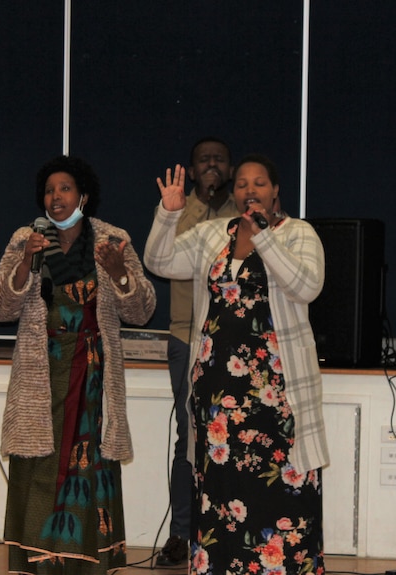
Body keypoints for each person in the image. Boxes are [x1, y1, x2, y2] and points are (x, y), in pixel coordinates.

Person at [145, 154, 329, 575]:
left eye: (259, 183)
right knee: (221, 493)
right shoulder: (213, 234)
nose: (250, 190)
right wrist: (168, 216)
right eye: (242, 183)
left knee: (283, 492)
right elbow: (159, 262)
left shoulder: (299, 233)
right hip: (216, 397)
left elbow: (306, 286)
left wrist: (262, 237)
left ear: (275, 190)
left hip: (278, 396)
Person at [0, 154, 156, 574]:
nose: (55, 197)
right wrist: (25, 261)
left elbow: (143, 310)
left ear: (83, 194)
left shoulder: (113, 240)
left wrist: (119, 275)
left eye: (64, 189)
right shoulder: (26, 239)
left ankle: (89, 563)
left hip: (94, 381)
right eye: (49, 190)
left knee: (89, 465)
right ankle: (41, 562)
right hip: (40, 379)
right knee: (39, 467)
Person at [157, 137, 239, 567]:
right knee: (187, 439)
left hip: (233, 343)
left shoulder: (245, 213)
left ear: (230, 168)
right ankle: (180, 534)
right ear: (191, 170)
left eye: (219, 159)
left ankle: (226, 530)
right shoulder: (178, 209)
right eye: (204, 159)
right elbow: (161, 255)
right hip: (186, 339)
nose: (212, 164)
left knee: (232, 438)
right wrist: (179, 209)